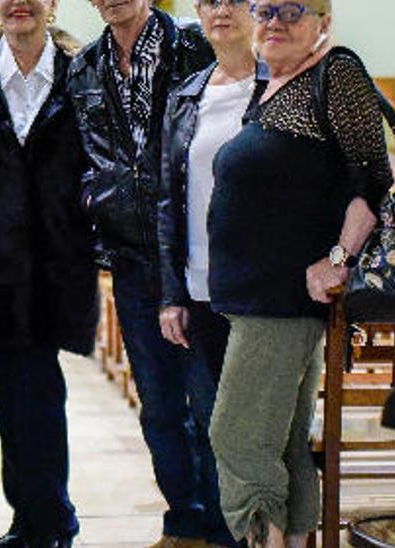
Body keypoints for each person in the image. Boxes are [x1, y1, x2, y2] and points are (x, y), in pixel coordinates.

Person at [205, 1, 392, 547]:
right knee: (281, 445)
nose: (275, 21)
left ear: (323, 22)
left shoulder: (338, 71)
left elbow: (373, 181)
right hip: (257, 297)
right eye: (265, 9)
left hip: (284, 302)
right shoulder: (273, 89)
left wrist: (338, 259)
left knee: (236, 437)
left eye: (293, 9)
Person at [67, 0, 225, 546]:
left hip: (195, 250)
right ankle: (183, 516)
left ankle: (221, 525)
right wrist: (95, 197)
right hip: (132, 255)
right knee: (158, 405)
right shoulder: (86, 66)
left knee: (207, 401)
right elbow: (81, 154)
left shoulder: (195, 46)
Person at [0, 0, 95, 545]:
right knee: (11, 394)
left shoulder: (83, 74)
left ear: (52, 5)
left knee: (37, 390)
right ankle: (35, 517)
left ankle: (48, 518)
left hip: (59, 259)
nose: (20, 3)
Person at [155, 0, 266, 545]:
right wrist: (170, 292)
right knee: (210, 424)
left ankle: (266, 534)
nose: (220, 10)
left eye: (233, 0)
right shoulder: (187, 94)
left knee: (260, 432)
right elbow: (168, 200)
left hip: (265, 293)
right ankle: (226, 536)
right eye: (208, 1)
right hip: (199, 287)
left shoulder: (284, 85)